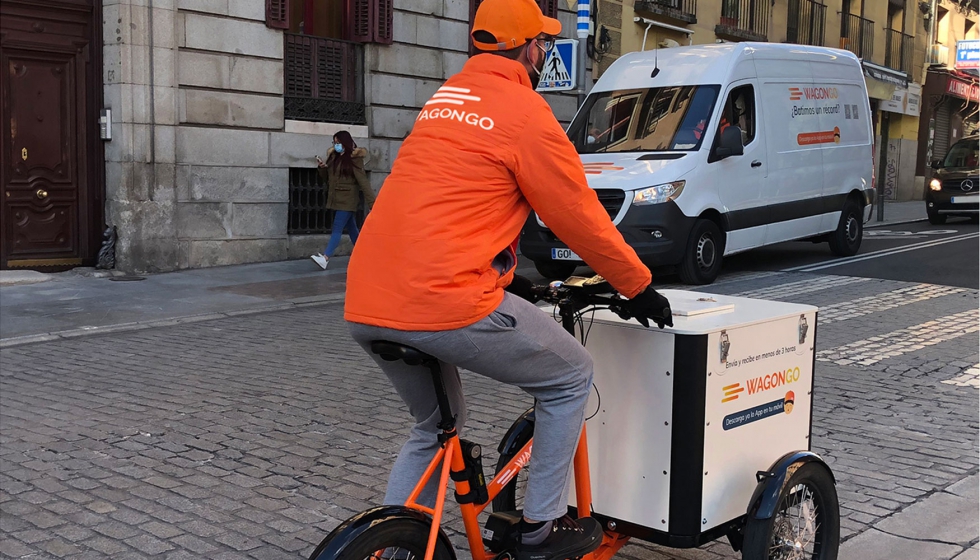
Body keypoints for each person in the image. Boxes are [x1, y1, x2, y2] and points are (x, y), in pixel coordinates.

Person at [342, 0, 672, 559]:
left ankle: (394, 545)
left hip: (367, 299)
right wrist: (636, 284)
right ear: (525, 49)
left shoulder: (445, 100)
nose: (544, 50)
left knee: (434, 425)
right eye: (541, 42)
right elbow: (576, 213)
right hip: (445, 298)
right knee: (571, 376)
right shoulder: (524, 111)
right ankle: (541, 527)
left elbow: (451, 204)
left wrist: (507, 277)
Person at [310, 131, 375, 270]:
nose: (336, 145)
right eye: (334, 142)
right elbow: (327, 177)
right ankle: (367, 255)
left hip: (348, 199)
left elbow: (363, 182)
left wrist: (373, 203)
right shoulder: (334, 157)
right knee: (352, 229)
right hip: (337, 197)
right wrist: (322, 168)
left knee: (337, 227)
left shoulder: (354, 159)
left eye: (338, 142)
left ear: (345, 142)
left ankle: (325, 258)